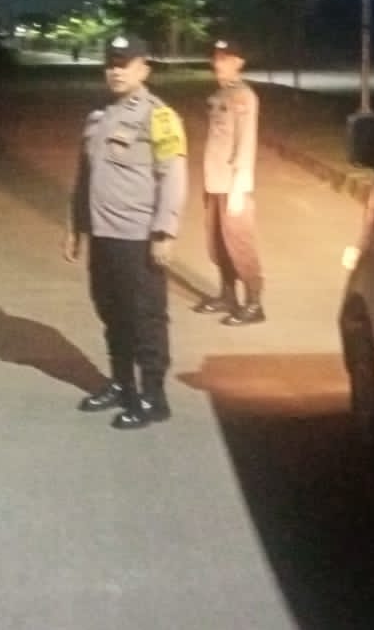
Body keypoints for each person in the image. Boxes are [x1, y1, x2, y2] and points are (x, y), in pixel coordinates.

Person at [64, 35, 189, 429]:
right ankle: (121, 384)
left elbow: (173, 175)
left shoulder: (160, 116)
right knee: (111, 312)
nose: (116, 71)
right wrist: (76, 227)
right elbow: (85, 177)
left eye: (125, 64)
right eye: (111, 64)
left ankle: (153, 396)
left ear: (143, 69)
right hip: (102, 235)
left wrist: (165, 230)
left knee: (145, 317)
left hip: (138, 236)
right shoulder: (98, 116)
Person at [192, 37, 266, 325]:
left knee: (240, 245)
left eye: (225, 59)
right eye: (216, 58)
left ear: (239, 63)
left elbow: (245, 143)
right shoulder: (220, 95)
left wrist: (239, 187)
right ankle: (227, 296)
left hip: (234, 186)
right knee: (218, 244)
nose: (218, 63)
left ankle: (254, 303)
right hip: (215, 183)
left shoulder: (243, 97)